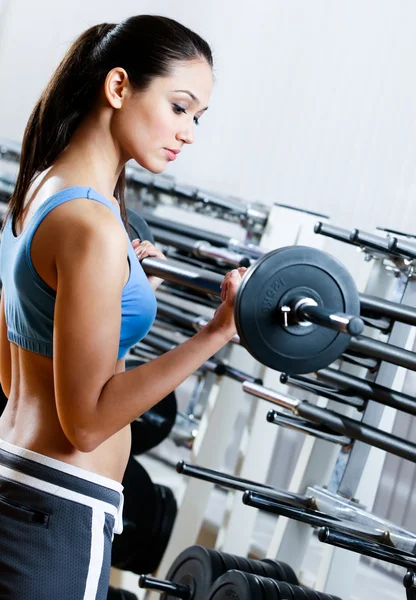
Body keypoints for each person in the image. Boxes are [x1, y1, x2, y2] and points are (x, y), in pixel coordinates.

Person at [0, 15, 245, 600]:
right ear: (117, 88)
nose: (188, 132)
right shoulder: (92, 226)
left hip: (16, 481)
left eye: (197, 118)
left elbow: (13, 376)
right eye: (180, 107)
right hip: (60, 508)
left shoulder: (40, 190)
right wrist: (217, 332)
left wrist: (115, 307)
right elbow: (85, 425)